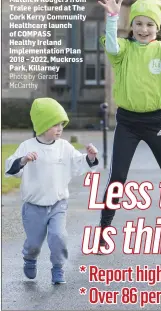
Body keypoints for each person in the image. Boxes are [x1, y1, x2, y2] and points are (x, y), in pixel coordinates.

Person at [97, 0, 161, 250]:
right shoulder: (124, 49)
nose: (143, 29)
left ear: (157, 27)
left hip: (155, 122)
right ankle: (104, 230)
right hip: (127, 122)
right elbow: (112, 45)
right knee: (117, 177)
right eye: (138, 23)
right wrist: (112, 17)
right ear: (131, 26)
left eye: (149, 24)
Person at [4, 98, 99, 284]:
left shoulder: (64, 147)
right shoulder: (27, 146)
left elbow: (78, 163)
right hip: (33, 206)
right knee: (33, 243)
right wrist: (23, 160)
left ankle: (58, 268)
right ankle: (30, 258)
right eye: (55, 124)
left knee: (58, 237)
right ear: (43, 125)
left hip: (58, 204)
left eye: (62, 124)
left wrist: (90, 157)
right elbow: (11, 167)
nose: (59, 128)